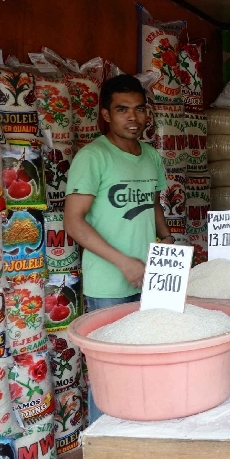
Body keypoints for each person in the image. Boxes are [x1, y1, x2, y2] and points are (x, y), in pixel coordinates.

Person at [64, 74, 170, 423]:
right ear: (106, 114)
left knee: (149, 365)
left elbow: (152, 204)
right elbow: (74, 222)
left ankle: (139, 440)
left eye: (140, 110)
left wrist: (167, 240)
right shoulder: (93, 157)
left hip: (150, 280)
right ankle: (103, 446)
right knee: (110, 377)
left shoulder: (151, 156)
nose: (133, 118)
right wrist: (123, 262)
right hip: (109, 285)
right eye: (122, 109)